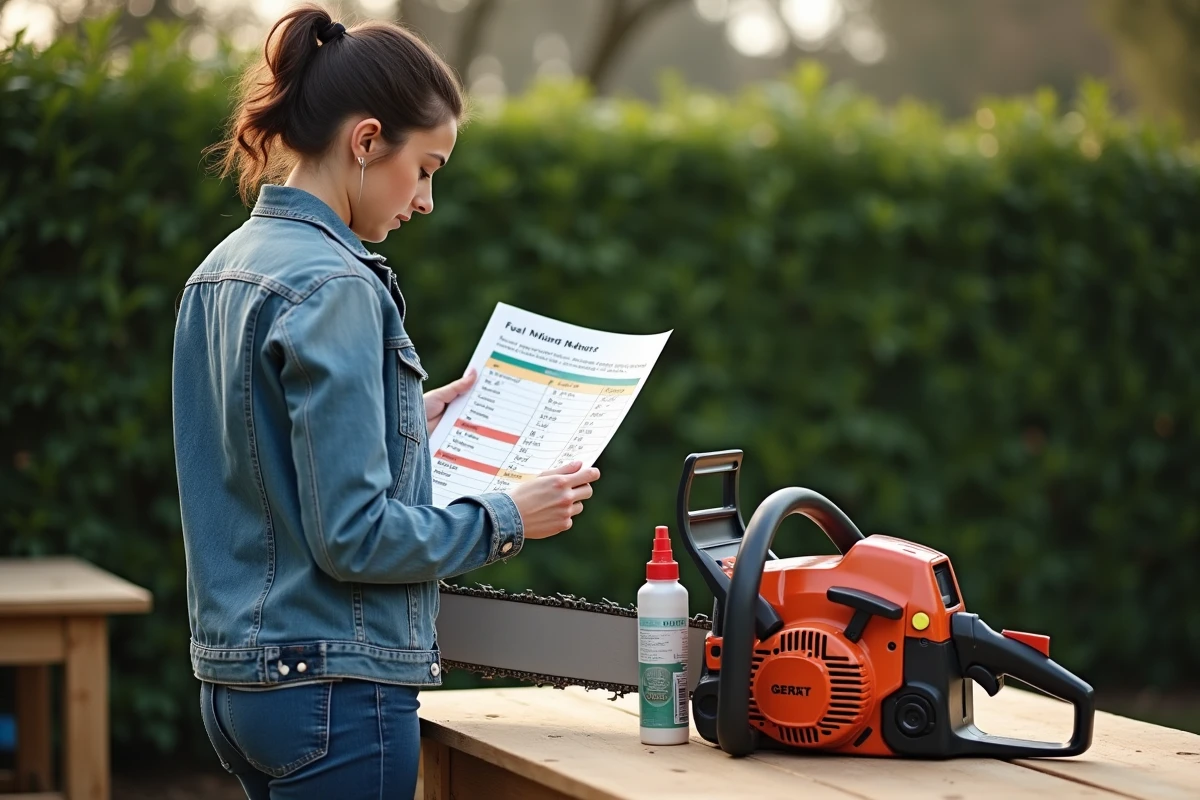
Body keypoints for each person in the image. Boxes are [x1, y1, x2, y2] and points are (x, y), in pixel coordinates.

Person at [170, 4, 600, 797]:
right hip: (332, 689)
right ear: (366, 142)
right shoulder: (337, 284)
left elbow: (256, 460)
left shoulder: (223, 268)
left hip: (238, 688)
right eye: (427, 168)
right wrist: (510, 516)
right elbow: (356, 538)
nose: (427, 200)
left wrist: (402, 416)